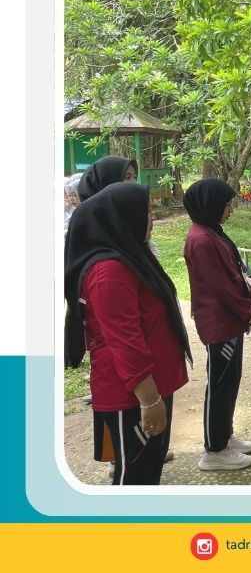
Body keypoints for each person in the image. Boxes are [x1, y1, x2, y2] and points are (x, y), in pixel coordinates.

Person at [64, 182, 191, 485]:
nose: (151, 218)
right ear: (120, 218)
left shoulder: (131, 256)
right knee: (134, 478)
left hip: (153, 385)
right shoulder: (109, 271)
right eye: (144, 212)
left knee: (149, 471)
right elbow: (124, 341)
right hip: (132, 395)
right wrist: (149, 400)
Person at [183, 179, 251, 472]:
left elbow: (234, 276)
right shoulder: (201, 240)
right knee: (220, 385)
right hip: (220, 323)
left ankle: (224, 436)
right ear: (211, 205)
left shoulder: (211, 232)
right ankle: (214, 449)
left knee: (230, 382)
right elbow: (222, 287)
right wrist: (249, 312)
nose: (231, 210)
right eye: (227, 205)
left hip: (229, 322)